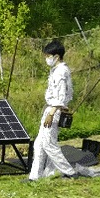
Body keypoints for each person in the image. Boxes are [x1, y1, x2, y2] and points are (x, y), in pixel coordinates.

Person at [29, 39, 79, 180]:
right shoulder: (56, 70)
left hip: (54, 110)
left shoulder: (61, 72)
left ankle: (69, 172)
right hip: (51, 109)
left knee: (49, 144)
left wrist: (51, 113)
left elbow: (61, 97)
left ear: (56, 56)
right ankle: (34, 176)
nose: (46, 59)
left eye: (48, 56)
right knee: (39, 144)